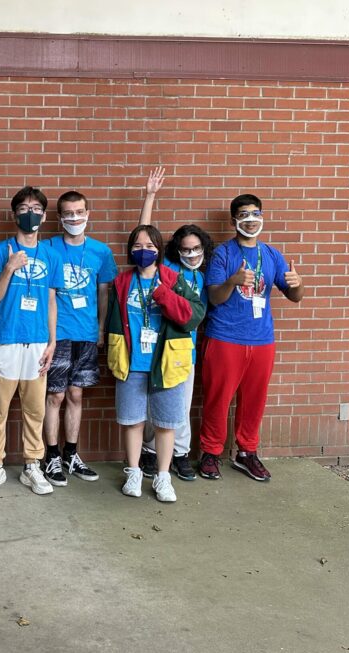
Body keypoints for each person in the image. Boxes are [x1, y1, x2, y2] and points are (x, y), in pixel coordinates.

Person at [197, 194, 304, 481]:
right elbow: (214, 298)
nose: (251, 219)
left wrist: (297, 285)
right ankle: (210, 452)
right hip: (225, 337)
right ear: (234, 221)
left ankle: (247, 452)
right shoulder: (223, 254)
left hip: (261, 340)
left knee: (254, 400)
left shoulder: (272, 255)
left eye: (256, 214)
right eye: (244, 215)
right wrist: (232, 281)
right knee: (218, 399)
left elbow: (294, 297)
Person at [106, 225, 204, 502]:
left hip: (167, 362)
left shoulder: (173, 278)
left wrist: (164, 295)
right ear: (129, 250)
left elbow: (194, 315)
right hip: (131, 361)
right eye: (137, 246)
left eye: (150, 246)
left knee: (166, 423)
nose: (144, 251)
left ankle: (163, 477)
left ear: (159, 250)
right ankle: (134, 472)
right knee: (133, 422)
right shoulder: (122, 281)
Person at [0, 186, 64, 495]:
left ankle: (32, 465)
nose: (32, 214)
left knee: (35, 410)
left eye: (37, 209)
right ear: (14, 214)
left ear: (43, 214)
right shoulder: (0, 250)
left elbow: (52, 301)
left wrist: (53, 342)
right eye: (25, 208)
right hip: (5, 339)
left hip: (38, 343)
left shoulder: (52, 254)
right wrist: (9, 269)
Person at [135, 169, 214, 482]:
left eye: (197, 248)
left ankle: (180, 453)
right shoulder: (167, 268)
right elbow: (145, 233)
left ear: (204, 249)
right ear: (177, 250)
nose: (191, 254)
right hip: (160, 347)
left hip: (188, 351)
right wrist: (150, 196)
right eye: (186, 249)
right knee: (157, 405)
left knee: (181, 404)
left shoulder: (205, 277)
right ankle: (152, 453)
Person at [39, 190, 117, 486]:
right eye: (68, 213)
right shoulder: (48, 248)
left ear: (88, 214)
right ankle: (52, 456)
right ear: (59, 218)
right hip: (56, 335)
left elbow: (104, 292)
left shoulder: (100, 252)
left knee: (75, 394)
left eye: (79, 212)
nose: (74, 218)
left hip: (86, 333)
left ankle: (72, 453)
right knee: (55, 395)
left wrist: (99, 329)